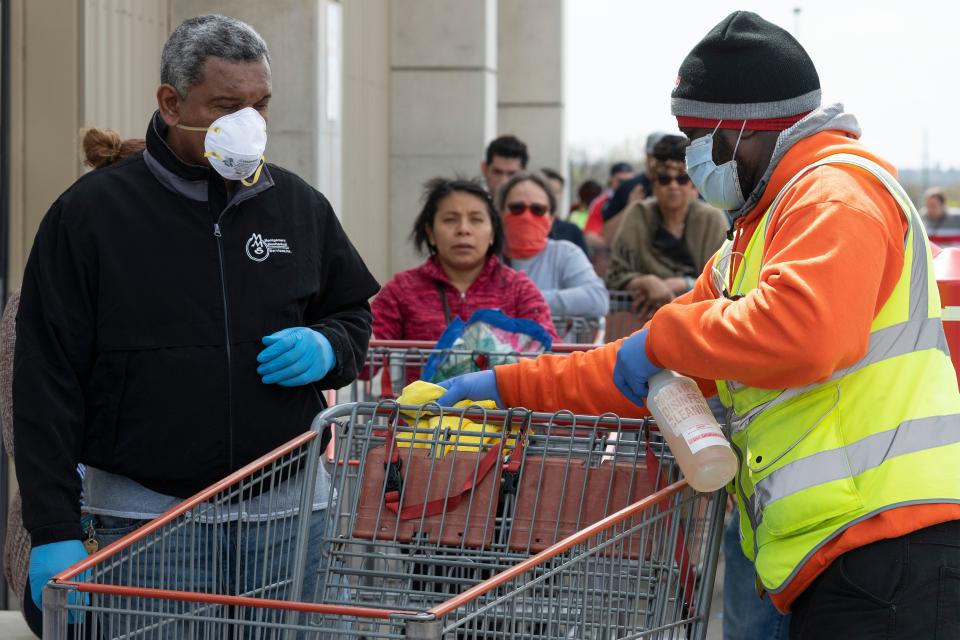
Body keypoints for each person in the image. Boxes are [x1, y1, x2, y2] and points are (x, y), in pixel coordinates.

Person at [436, 11, 960, 640]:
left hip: (895, 550)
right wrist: (509, 387)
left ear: (743, 127)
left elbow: (806, 335)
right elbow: (640, 365)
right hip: (843, 554)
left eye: (695, 134)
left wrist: (664, 338)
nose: (689, 159)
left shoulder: (834, 195)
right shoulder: (761, 231)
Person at [14, 13, 379, 624]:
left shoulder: (296, 206)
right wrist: (52, 526)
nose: (249, 124)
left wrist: (329, 346)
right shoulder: (91, 217)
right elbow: (45, 378)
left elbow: (350, 313)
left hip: (289, 520)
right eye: (226, 105)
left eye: (260, 104)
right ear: (170, 102)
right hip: (149, 525)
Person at [372, 177, 557, 343]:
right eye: (450, 220)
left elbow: (550, 352)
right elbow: (363, 357)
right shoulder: (401, 290)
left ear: (492, 233)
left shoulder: (519, 289)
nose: (463, 229)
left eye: (476, 220)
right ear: (430, 233)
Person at [605, 135, 727, 321]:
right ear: (654, 184)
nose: (673, 185)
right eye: (664, 179)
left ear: (693, 184)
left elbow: (723, 280)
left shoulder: (711, 219)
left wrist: (680, 284)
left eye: (681, 179)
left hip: (699, 320)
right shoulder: (638, 215)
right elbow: (615, 274)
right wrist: (645, 282)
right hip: (642, 323)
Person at [497, 172, 609, 319]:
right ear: (500, 213)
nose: (526, 216)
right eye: (517, 208)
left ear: (551, 219)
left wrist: (528, 299)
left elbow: (597, 299)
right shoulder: (486, 257)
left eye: (538, 210)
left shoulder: (565, 253)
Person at [541, 167, 589, 255]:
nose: (552, 196)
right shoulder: (522, 228)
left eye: (556, 192)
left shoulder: (572, 231)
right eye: (548, 191)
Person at [600, 172, 652, 245]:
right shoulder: (601, 201)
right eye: (620, 181)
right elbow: (604, 238)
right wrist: (631, 207)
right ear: (611, 181)